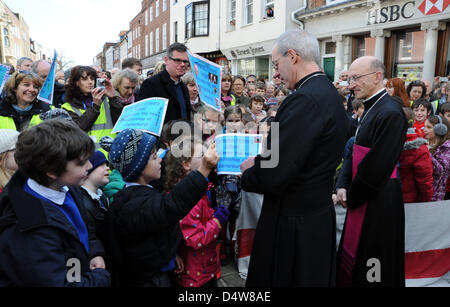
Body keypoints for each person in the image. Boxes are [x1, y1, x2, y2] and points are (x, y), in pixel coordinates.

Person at [239, 29, 348, 286]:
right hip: (314, 214)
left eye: (277, 64)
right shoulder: (329, 93)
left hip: (294, 221)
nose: (275, 73)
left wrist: (249, 172)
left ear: (293, 56)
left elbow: (274, 172)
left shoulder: (302, 100)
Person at [0, 120, 110, 286]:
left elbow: (84, 228)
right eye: (81, 163)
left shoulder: (67, 187)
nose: (89, 166)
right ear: (52, 171)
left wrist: (94, 253)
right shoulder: (30, 230)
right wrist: (100, 278)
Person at [104, 129, 220, 287]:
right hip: (149, 279)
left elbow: (157, 233)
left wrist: (171, 255)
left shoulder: (143, 193)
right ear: (139, 167)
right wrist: (204, 169)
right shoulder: (134, 205)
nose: (160, 160)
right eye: (153, 157)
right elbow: (171, 206)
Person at [335, 56, 407, 287]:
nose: (351, 84)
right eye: (349, 78)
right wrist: (343, 185)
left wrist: (352, 197)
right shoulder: (371, 107)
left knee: (374, 260)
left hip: (378, 200)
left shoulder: (390, 112)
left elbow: (377, 166)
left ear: (377, 77)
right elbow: (353, 150)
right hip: (363, 194)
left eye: (356, 78)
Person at [164, 137, 228, 287]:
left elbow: (200, 219)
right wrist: (217, 221)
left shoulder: (197, 189)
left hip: (205, 267)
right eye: (202, 156)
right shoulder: (186, 198)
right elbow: (195, 238)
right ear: (186, 164)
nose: (208, 158)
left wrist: (212, 214)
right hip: (194, 276)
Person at [61, 66, 123, 153]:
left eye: (92, 79)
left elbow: (120, 122)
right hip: (85, 157)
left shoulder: (106, 100)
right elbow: (78, 129)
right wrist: (95, 107)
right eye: (85, 79)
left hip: (110, 156)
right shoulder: (67, 107)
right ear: (76, 83)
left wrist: (113, 98)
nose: (90, 82)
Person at [137, 43, 191, 124]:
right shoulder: (151, 84)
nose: (182, 64)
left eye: (185, 61)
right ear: (166, 60)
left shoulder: (183, 86)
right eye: (177, 60)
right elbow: (144, 118)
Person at [398, 107, 433, 203]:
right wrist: (426, 200)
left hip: (388, 196)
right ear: (413, 122)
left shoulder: (385, 143)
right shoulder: (420, 149)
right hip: (411, 199)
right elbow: (425, 182)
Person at [77, 150, 110, 245]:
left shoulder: (101, 196)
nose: (107, 168)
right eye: (101, 165)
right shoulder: (83, 203)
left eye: (107, 164)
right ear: (88, 169)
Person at [423, 115, 450, 201]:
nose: (424, 129)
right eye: (424, 126)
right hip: (423, 193)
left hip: (436, 196)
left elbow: (441, 171)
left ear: (440, 129)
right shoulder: (425, 144)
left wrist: (426, 153)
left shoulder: (447, 148)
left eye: (428, 127)